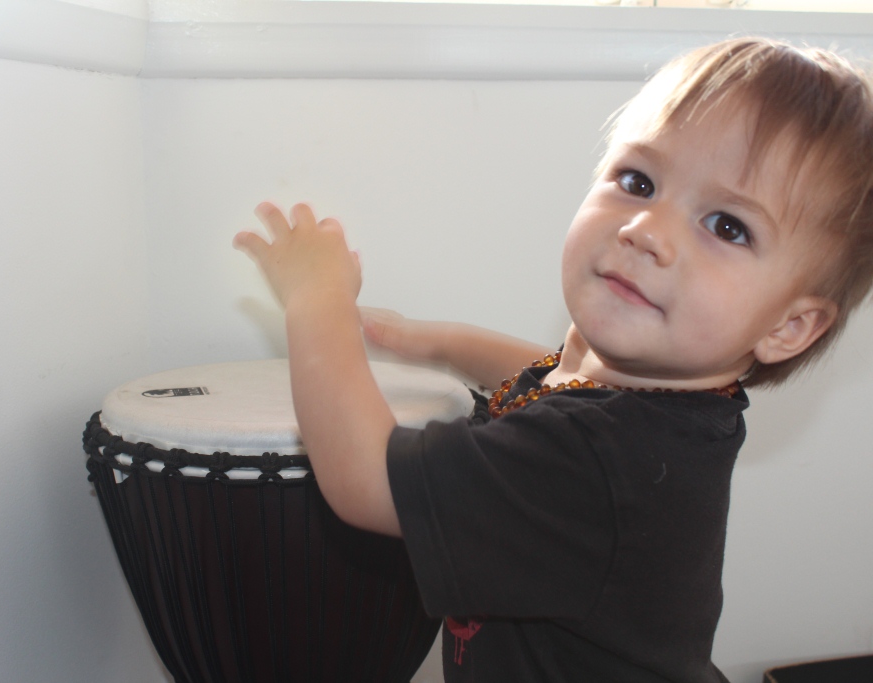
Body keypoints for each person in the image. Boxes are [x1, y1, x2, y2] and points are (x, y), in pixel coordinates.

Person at [232, 37, 873, 682]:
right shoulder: (665, 408)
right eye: (638, 181)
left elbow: (365, 479)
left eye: (727, 226)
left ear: (790, 326)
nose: (646, 230)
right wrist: (440, 341)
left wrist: (316, 299)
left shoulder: (591, 460)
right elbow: (557, 377)